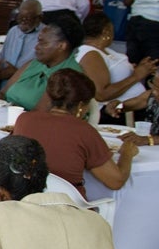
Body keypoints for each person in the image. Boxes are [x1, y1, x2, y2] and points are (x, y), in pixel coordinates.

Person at [12, 69, 137, 199]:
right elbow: (116, 181)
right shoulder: (84, 131)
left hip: (24, 201)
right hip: (66, 208)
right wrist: (127, 153)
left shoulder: (25, 119)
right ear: (81, 106)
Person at [0, 12, 85, 111]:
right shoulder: (34, 64)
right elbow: (2, 94)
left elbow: (40, 113)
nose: (36, 47)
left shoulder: (69, 77)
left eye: (42, 43)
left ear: (61, 46)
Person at [77, 13, 155, 104]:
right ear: (106, 31)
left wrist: (137, 68)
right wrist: (137, 76)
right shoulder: (89, 53)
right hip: (116, 111)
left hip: (134, 105)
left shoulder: (105, 50)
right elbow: (101, 94)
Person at [0, 0, 42, 96]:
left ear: (39, 18)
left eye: (28, 18)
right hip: (3, 84)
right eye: (20, 17)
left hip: (26, 87)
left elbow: (44, 71)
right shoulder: (13, 31)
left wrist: (16, 73)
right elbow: (3, 58)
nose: (23, 21)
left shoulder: (45, 36)